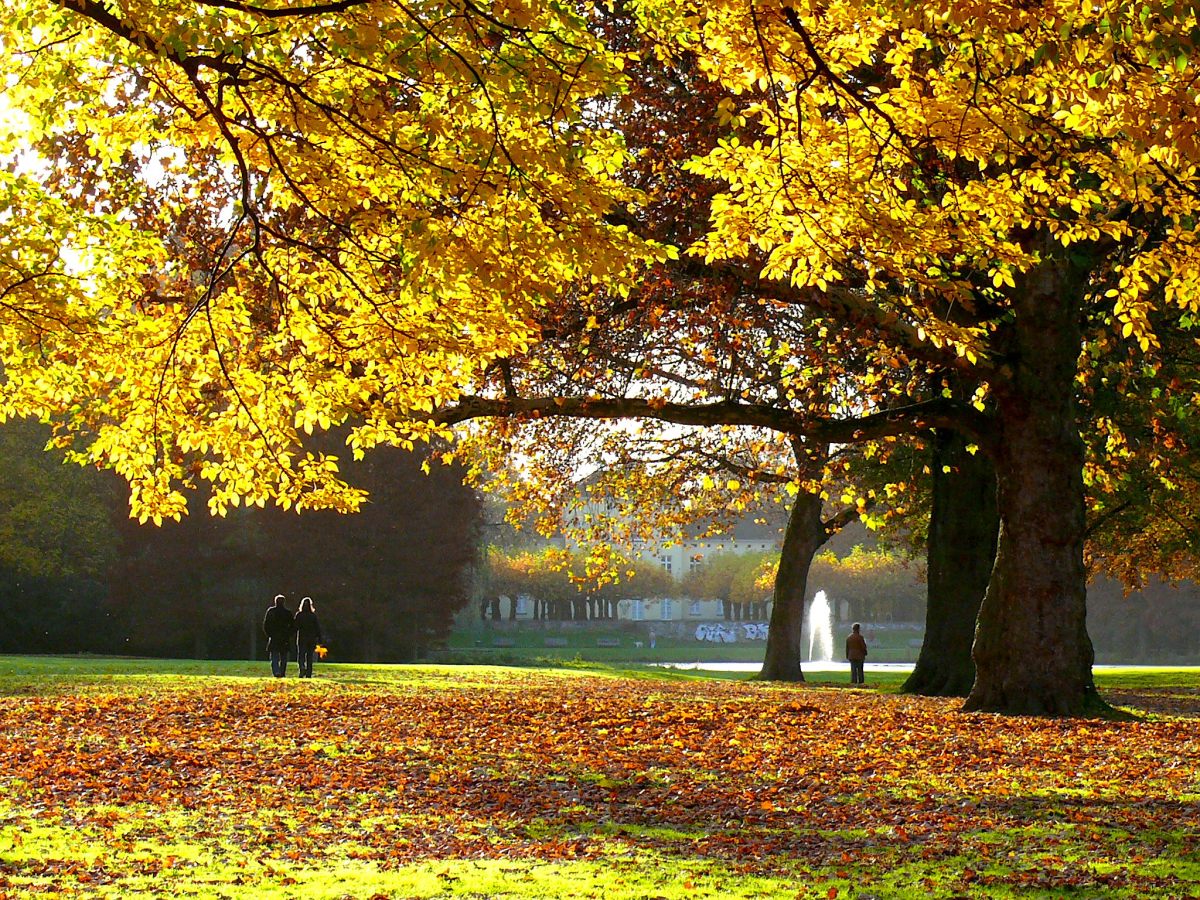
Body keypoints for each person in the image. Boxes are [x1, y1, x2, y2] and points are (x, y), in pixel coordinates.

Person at [263, 594, 294, 678]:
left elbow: (266, 624)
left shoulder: (271, 611)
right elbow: (292, 626)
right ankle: (282, 672)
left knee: (274, 657)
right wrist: (288, 634)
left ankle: (276, 672)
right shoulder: (287, 613)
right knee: (284, 657)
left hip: (274, 637)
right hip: (284, 638)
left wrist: (269, 634)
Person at [293, 596, 325, 679]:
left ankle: (302, 669)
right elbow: (317, 628)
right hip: (311, 638)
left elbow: (295, 627)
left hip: (302, 638)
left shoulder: (299, 615)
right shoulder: (313, 616)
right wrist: (320, 639)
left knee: (301, 655)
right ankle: (308, 673)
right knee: (309, 657)